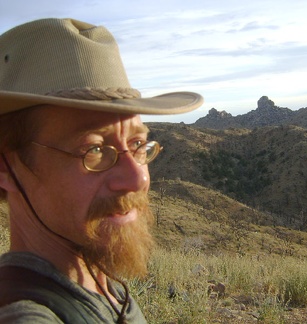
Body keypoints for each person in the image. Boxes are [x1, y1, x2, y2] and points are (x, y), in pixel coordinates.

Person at [0, 18, 203, 323]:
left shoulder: (105, 289)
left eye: (138, 144)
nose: (137, 178)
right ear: (5, 166)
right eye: (93, 150)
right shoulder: (22, 313)